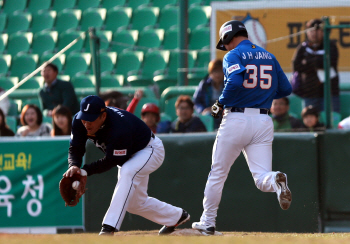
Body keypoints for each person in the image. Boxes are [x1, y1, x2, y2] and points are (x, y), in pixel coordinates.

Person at [192, 20, 293, 235]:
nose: (225, 47)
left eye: (225, 42)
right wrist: (260, 94)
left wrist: (220, 102)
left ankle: (208, 222)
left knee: (218, 173)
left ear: (229, 36)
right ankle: (276, 179)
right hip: (264, 120)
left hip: (237, 118)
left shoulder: (233, 55)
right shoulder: (269, 56)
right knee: (261, 177)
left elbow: (236, 81)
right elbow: (286, 88)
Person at [63, 95, 190, 235]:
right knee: (134, 204)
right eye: (84, 118)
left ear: (103, 116)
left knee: (127, 171)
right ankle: (176, 216)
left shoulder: (119, 127)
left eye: (91, 119)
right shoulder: (79, 121)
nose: (86, 123)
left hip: (150, 150)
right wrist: (73, 165)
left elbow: (111, 160)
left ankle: (108, 227)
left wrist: (85, 171)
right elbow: (75, 147)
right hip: (129, 157)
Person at [291, 19, 340, 113]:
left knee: (331, 123)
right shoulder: (303, 47)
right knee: (311, 125)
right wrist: (317, 62)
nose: (313, 33)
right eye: (311, 30)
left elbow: (330, 62)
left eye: (317, 30)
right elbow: (296, 66)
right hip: (310, 94)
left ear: (323, 31)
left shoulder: (331, 46)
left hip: (330, 94)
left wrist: (307, 62)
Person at [193, 59, 225, 129]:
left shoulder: (228, 85)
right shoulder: (204, 85)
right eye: (214, 71)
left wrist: (214, 109)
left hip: (223, 113)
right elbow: (196, 101)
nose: (217, 74)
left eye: (220, 71)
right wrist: (202, 110)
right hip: (208, 114)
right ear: (210, 72)